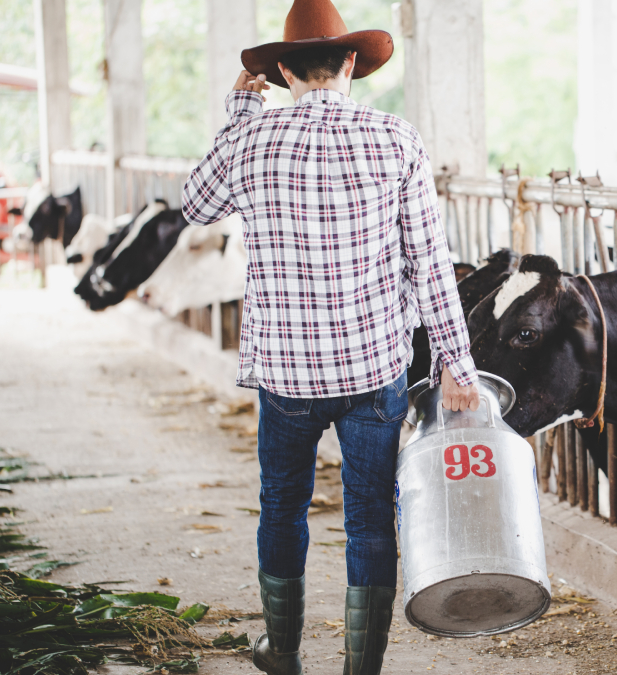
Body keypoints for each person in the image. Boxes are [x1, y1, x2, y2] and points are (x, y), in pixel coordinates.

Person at [181, 1, 480, 673]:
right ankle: (359, 667)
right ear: (351, 64)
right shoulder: (396, 138)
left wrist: (238, 116)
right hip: (374, 369)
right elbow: (429, 261)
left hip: (286, 376)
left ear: (283, 71)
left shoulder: (252, 140)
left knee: (281, 506)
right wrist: (457, 363)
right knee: (371, 516)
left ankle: (282, 653)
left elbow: (193, 204)